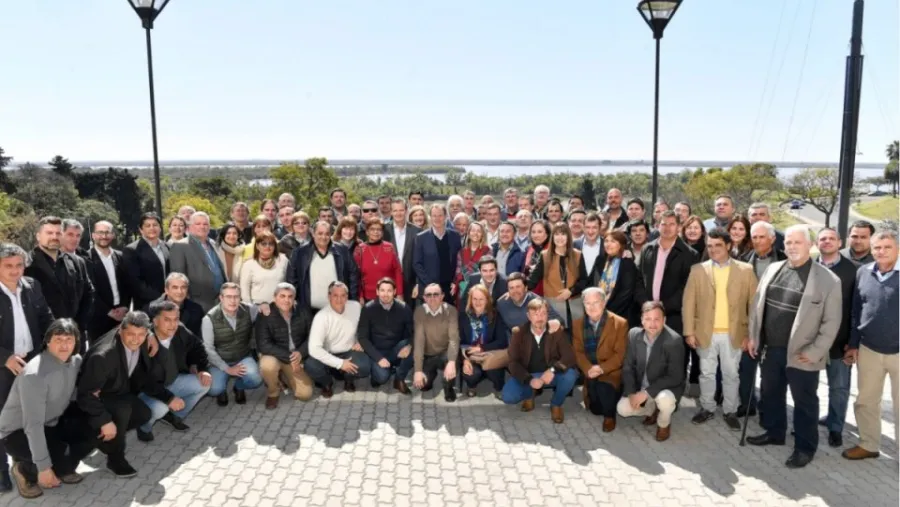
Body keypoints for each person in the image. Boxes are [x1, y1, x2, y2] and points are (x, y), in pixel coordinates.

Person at [746, 225, 841, 469]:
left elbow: (831, 322)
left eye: (797, 242)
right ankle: (775, 433)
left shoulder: (828, 280)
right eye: (788, 242)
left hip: (803, 354)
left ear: (810, 245)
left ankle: (805, 447)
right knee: (771, 395)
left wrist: (815, 352)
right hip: (771, 349)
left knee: (805, 403)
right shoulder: (773, 269)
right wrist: (754, 336)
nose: (792, 247)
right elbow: (758, 307)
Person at [77, 312, 176, 478]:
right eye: (130, 334)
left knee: (144, 414)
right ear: (120, 330)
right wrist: (105, 421)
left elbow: (143, 378)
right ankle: (115, 459)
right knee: (122, 412)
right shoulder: (104, 356)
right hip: (96, 398)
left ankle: (103, 438)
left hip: (118, 390)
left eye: (141, 335)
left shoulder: (142, 340)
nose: (135, 339)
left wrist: (169, 397)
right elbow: (85, 394)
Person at [0, 320, 87, 499]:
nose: (64, 345)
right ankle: (23, 470)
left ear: (76, 341)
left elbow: (71, 392)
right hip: (17, 431)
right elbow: (33, 425)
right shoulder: (34, 375)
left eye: (69, 339)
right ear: (47, 341)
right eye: (58, 339)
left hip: (49, 423)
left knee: (70, 460)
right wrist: (44, 468)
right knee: (47, 464)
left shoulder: (75, 361)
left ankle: (52, 464)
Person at [682, 229, 757, 430]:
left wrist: (750, 335)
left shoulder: (746, 270)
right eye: (710, 246)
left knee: (731, 374)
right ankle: (707, 408)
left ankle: (730, 410)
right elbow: (688, 303)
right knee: (706, 373)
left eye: (718, 245)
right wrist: (689, 331)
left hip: (734, 334)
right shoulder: (698, 270)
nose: (713, 249)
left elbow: (754, 306)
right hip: (705, 333)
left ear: (729, 246)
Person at [0, 243, 56, 493]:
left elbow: (46, 318)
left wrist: (56, 344)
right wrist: (5, 358)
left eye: (19, 265)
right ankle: (3, 474)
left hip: (32, 365)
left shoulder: (32, 286)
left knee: (31, 418)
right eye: (8, 266)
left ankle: (26, 468)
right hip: (3, 369)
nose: (14, 271)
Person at [842, 229, 899, 461]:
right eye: (877, 247)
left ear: (897, 249)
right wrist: (853, 345)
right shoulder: (863, 273)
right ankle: (868, 444)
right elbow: (857, 311)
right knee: (865, 401)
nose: (881, 251)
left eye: (887, 247)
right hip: (869, 350)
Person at [638, 211, 697, 390]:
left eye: (672, 224)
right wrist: (646, 306)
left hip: (673, 315)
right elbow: (638, 279)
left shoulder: (689, 254)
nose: (667, 227)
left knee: (672, 359)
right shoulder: (647, 248)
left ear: (679, 227)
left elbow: (686, 288)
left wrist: (663, 307)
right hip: (647, 313)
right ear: (658, 225)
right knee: (648, 357)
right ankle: (647, 394)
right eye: (663, 224)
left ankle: (670, 397)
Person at [139, 301, 212, 440]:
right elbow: (143, 380)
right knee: (160, 408)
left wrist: (203, 369)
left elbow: (198, 347)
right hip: (148, 391)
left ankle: (174, 416)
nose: (172, 324)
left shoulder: (180, 330)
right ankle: (144, 427)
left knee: (205, 383)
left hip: (173, 381)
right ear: (155, 321)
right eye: (167, 320)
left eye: (176, 319)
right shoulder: (144, 342)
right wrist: (169, 398)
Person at [815, 228, 859, 447]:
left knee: (839, 387)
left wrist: (853, 342)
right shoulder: (808, 267)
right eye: (823, 238)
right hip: (811, 341)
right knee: (807, 386)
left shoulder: (854, 270)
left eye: (832, 238)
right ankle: (806, 423)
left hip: (840, 342)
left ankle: (835, 428)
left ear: (840, 242)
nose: (827, 242)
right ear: (816, 243)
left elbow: (856, 310)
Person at [617, 301, 685, 442]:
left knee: (664, 400)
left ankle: (663, 423)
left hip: (666, 389)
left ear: (664, 320)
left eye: (656, 319)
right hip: (643, 388)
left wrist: (646, 393)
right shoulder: (634, 335)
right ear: (641, 320)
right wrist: (631, 393)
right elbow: (628, 367)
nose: (652, 324)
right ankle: (651, 410)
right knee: (622, 409)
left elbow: (675, 377)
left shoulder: (674, 341)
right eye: (648, 319)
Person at [502, 297, 578, 424]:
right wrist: (529, 380)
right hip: (530, 375)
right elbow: (513, 362)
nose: (540, 318)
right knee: (508, 397)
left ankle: (556, 404)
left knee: (571, 375)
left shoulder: (555, 331)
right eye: (535, 314)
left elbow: (569, 357)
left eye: (543, 313)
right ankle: (528, 396)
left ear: (548, 315)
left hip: (552, 375)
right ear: (528, 316)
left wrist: (553, 370)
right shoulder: (519, 333)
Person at [25, 216, 94, 348]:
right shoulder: (26, 265)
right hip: (42, 340)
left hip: (74, 336)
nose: (54, 237)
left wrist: (78, 326)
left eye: (58, 233)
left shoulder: (77, 262)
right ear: (38, 236)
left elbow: (88, 294)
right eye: (49, 233)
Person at [572, 288, 628, 432]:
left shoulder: (620, 323)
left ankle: (610, 417)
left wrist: (601, 368)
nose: (591, 307)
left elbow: (620, 355)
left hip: (610, 372)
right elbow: (578, 351)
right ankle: (604, 401)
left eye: (596, 303)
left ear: (603, 303)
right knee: (596, 410)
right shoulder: (577, 324)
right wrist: (588, 368)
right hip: (590, 371)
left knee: (604, 389)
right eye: (587, 303)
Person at [201, 283, 265, 406]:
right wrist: (227, 369)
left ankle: (239, 386)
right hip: (219, 361)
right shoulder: (209, 318)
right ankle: (222, 390)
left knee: (256, 379)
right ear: (221, 298)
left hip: (242, 357)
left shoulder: (248, 310)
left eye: (236, 297)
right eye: (229, 296)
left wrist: (265, 305)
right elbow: (208, 349)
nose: (233, 300)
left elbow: (261, 307)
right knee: (214, 389)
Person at [305, 282, 371, 398]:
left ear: (347, 296)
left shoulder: (355, 307)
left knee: (365, 365)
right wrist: (340, 364)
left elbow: (366, 326)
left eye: (343, 295)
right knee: (310, 365)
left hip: (349, 351)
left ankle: (348, 379)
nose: (339, 299)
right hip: (327, 353)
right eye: (335, 295)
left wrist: (361, 341)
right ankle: (327, 383)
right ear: (329, 296)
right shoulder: (321, 317)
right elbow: (314, 349)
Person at [256, 283, 315, 408]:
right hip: (274, 355)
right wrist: (291, 357)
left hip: (295, 355)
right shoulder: (265, 314)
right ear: (274, 297)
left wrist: (300, 353)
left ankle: (283, 376)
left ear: (294, 298)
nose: (286, 300)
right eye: (282, 296)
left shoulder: (303, 311)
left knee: (305, 394)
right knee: (268, 366)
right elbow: (264, 344)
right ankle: (273, 392)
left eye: (290, 296)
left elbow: (313, 336)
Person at [357, 278, 414, 394]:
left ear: (394, 292)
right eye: (382, 290)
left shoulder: (404, 308)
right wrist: (379, 358)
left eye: (389, 291)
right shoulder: (368, 309)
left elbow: (415, 332)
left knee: (415, 347)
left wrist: (409, 346)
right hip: (376, 351)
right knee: (382, 378)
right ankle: (378, 372)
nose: (385, 294)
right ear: (377, 292)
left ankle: (399, 379)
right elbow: (362, 337)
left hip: (396, 349)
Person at [287, 221, 358, 313]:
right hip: (308, 310)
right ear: (313, 233)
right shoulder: (300, 252)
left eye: (327, 234)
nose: (324, 237)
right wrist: (294, 300)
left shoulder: (342, 250)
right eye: (320, 233)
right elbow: (291, 279)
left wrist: (352, 300)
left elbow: (353, 276)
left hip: (338, 308)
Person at [528, 222, 589, 326]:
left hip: (575, 304)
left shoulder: (577, 254)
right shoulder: (545, 256)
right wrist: (518, 289)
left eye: (563, 234)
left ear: (568, 237)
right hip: (553, 305)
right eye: (556, 234)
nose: (559, 238)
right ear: (552, 237)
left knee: (577, 337)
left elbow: (584, 280)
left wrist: (571, 291)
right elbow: (533, 280)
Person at [169, 212, 228, 313]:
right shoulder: (180, 246)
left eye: (205, 224)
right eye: (198, 224)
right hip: (197, 303)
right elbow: (178, 278)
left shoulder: (213, 243)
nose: (202, 227)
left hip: (219, 300)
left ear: (209, 227)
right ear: (190, 227)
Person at [84, 221, 131, 341]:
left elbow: (127, 284)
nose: (104, 236)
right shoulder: (85, 259)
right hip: (99, 317)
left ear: (113, 235)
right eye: (100, 233)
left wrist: (125, 307)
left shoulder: (120, 256)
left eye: (107, 233)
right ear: (93, 235)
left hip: (122, 316)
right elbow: (89, 290)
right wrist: (108, 311)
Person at [458, 284, 509, 396]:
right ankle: (472, 386)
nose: (478, 302)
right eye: (474, 299)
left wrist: (481, 348)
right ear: (470, 300)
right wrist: (465, 360)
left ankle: (498, 388)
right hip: (471, 356)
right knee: (470, 374)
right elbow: (459, 342)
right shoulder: (463, 317)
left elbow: (502, 341)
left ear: (487, 300)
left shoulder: (495, 315)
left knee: (494, 371)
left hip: (490, 354)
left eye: (481, 299)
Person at [412, 284, 460, 401]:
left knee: (451, 365)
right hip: (428, 355)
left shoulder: (451, 310)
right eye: (428, 295)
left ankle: (449, 388)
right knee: (423, 385)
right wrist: (418, 370)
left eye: (436, 294)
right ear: (424, 298)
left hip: (445, 353)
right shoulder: (419, 312)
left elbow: (454, 338)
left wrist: (452, 361)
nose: (432, 298)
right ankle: (430, 375)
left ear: (442, 296)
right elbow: (418, 341)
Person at [589, 230, 644, 326]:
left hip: (619, 316)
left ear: (621, 245)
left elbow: (625, 294)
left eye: (613, 241)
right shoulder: (600, 260)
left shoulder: (627, 263)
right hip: (597, 314)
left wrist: (605, 312)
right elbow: (590, 283)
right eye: (606, 241)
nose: (608, 244)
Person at [413, 204, 462, 306]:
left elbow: (459, 262)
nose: (437, 218)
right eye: (434, 216)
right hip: (429, 289)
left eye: (440, 215)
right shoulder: (421, 238)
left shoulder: (455, 236)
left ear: (445, 217)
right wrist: (430, 285)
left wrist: (455, 281)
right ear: (430, 217)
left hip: (449, 289)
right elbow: (417, 264)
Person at [123, 212, 170, 312]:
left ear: (160, 228)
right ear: (141, 229)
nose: (152, 228)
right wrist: (161, 298)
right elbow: (135, 282)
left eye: (155, 225)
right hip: (147, 305)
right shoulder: (132, 250)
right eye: (148, 226)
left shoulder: (166, 247)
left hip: (169, 302)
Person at [354, 218, 403, 303]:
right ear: (367, 232)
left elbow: (397, 271)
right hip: (368, 297)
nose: (376, 232)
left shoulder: (389, 247)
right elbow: (357, 276)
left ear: (382, 232)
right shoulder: (360, 249)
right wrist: (360, 296)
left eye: (379, 229)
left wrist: (399, 293)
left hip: (389, 295)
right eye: (372, 229)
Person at [495, 273, 563, 331]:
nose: (515, 291)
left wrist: (551, 324)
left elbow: (559, 320)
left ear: (526, 288)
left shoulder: (538, 302)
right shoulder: (501, 304)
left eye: (518, 287)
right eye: (511, 288)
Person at [240, 231, 289, 305]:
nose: (267, 247)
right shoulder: (248, 264)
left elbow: (288, 284)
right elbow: (245, 291)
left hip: (280, 306)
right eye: (263, 244)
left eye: (271, 244)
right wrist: (251, 309)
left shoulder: (283, 260)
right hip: (257, 307)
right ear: (257, 246)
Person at [387, 198, 421, 303]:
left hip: (410, 284)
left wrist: (418, 283)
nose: (398, 213)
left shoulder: (417, 231)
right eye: (395, 210)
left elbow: (421, 259)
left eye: (401, 210)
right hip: (388, 283)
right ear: (391, 212)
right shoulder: (383, 231)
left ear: (406, 211)